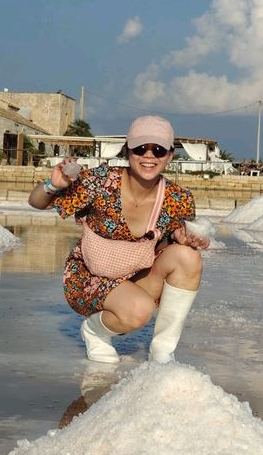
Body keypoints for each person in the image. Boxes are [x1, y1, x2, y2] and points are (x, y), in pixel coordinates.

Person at [28, 115, 209, 364]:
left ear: (169, 156)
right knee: (138, 311)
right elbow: (37, 202)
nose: (148, 156)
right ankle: (94, 330)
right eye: (140, 148)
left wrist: (183, 239)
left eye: (158, 150)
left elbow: (166, 248)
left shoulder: (178, 198)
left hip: (135, 276)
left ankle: (163, 350)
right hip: (91, 277)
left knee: (188, 258)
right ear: (128, 151)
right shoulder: (101, 180)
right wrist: (53, 185)